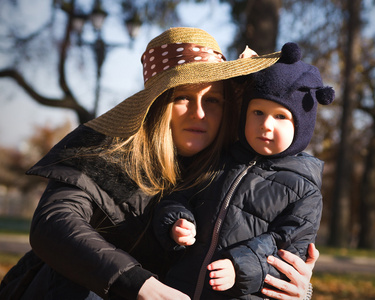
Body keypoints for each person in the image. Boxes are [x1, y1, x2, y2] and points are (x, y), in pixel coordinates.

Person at [0, 28, 317, 300]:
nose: (199, 113)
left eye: (212, 101)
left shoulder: (234, 172)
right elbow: (53, 223)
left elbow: (264, 244)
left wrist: (294, 287)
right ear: (156, 104)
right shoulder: (108, 154)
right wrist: (142, 285)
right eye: (183, 98)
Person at [153, 42, 334, 299]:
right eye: (258, 112)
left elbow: (290, 247)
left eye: (281, 117)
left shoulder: (304, 189)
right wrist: (176, 220)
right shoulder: (218, 159)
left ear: (302, 126)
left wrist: (242, 266)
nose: (266, 125)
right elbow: (179, 195)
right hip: (181, 287)